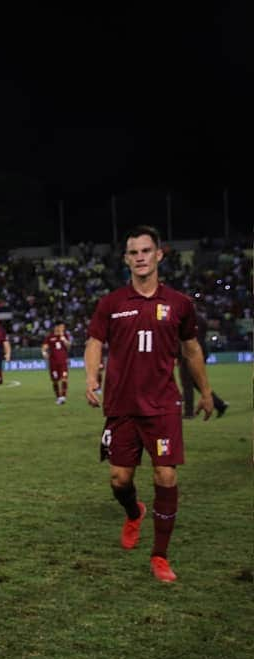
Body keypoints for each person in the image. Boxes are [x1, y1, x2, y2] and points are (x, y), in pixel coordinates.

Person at [85, 225, 215, 584]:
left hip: (162, 406)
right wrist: (91, 377)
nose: (140, 257)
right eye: (133, 252)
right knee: (119, 479)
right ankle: (133, 511)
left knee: (166, 475)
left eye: (146, 250)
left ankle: (159, 556)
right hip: (121, 406)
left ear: (159, 255)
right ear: (126, 259)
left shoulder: (179, 304)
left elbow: (191, 349)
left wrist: (205, 392)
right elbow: (95, 341)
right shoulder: (111, 303)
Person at [179, 310, 228, 419]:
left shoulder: (188, 318)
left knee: (187, 382)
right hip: (200, 352)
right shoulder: (200, 319)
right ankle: (220, 404)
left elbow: (189, 340)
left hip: (190, 353)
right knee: (197, 382)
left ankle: (188, 412)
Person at [42, 321, 71, 405]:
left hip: (63, 362)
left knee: (64, 378)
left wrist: (64, 339)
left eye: (63, 327)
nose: (63, 328)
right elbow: (44, 347)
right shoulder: (50, 337)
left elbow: (69, 347)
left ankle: (63, 397)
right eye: (61, 327)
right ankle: (58, 397)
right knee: (55, 381)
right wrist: (44, 353)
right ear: (56, 327)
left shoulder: (65, 336)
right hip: (53, 362)